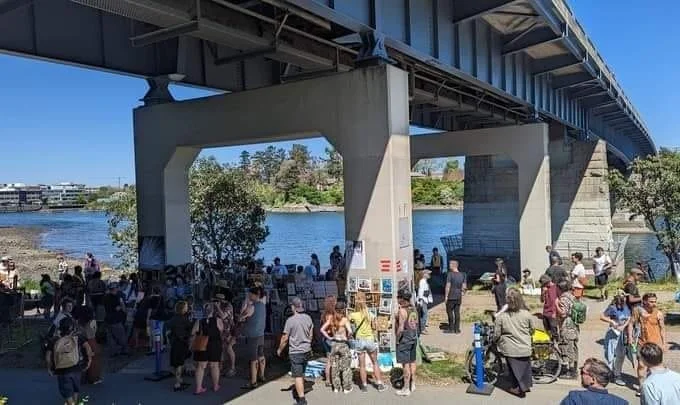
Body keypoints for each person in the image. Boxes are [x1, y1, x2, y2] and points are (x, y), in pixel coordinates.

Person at [493, 288, 535, 398]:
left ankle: (518, 388)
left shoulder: (502, 317)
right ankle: (525, 385)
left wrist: (495, 340)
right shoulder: (527, 314)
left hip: (510, 349)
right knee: (525, 368)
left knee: (513, 369)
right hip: (525, 347)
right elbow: (532, 330)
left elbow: (496, 334)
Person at [45, 317, 94, 405]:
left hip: (62, 371)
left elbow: (48, 356)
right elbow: (88, 349)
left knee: (67, 394)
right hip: (76, 368)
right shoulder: (78, 338)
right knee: (75, 390)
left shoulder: (54, 340)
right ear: (73, 327)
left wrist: (49, 368)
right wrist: (89, 362)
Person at [277, 297, 314, 405]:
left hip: (296, 351)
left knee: (297, 376)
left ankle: (301, 399)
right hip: (306, 350)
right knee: (302, 372)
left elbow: (284, 338)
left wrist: (279, 349)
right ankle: (300, 389)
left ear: (293, 307)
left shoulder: (290, 321)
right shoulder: (308, 318)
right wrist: (308, 344)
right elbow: (311, 334)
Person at [348, 292, 388, 392]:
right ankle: (379, 384)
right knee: (375, 362)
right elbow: (375, 325)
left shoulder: (352, 315)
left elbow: (349, 326)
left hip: (359, 340)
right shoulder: (369, 313)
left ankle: (364, 385)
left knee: (362, 365)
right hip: (370, 339)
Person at [559, 358, 628, 405]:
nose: (581, 375)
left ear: (593, 379)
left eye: (582, 372)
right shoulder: (621, 403)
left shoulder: (574, 398)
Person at [635, 293, 667, 395]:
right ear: (644, 301)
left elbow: (662, 329)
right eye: (651, 301)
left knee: (654, 366)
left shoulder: (659, 314)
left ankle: (653, 386)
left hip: (655, 344)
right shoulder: (639, 311)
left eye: (655, 301)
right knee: (641, 365)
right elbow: (632, 323)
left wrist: (664, 343)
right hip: (642, 342)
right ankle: (641, 388)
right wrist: (630, 338)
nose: (654, 304)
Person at [192, 302, 224, 395]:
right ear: (213, 311)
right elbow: (222, 330)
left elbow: (193, 332)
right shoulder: (218, 320)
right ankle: (215, 385)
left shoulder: (199, 321)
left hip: (202, 345)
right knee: (214, 366)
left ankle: (198, 388)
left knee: (200, 366)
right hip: (215, 344)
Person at [320, 300, 352, 393]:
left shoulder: (331, 319)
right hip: (343, 344)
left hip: (334, 344)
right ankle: (346, 387)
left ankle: (336, 387)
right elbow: (350, 332)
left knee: (334, 366)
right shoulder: (344, 320)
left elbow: (322, 329)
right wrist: (348, 336)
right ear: (343, 309)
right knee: (345, 367)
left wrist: (329, 337)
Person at [600, 295, 631, 385]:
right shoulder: (612, 308)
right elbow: (602, 316)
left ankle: (617, 374)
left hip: (622, 334)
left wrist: (624, 326)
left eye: (622, 304)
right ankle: (610, 374)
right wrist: (611, 321)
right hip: (613, 333)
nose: (620, 306)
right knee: (610, 354)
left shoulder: (625, 307)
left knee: (621, 355)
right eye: (619, 304)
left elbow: (629, 318)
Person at [240, 286, 267, 389]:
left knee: (253, 358)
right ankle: (262, 375)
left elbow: (241, 317)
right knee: (261, 355)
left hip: (252, 335)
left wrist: (245, 303)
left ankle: (253, 381)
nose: (249, 295)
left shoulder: (252, 306)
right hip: (261, 333)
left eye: (250, 294)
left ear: (255, 295)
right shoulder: (263, 305)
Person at [395, 290, 419, 396]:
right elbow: (416, 323)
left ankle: (406, 388)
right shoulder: (413, 308)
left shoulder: (402, 311)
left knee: (405, 365)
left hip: (404, 340)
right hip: (413, 338)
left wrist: (397, 338)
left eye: (398, 297)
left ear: (401, 298)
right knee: (412, 361)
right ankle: (413, 384)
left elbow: (400, 328)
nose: (397, 299)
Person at [167, 300, 192, 391]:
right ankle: (177, 382)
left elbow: (168, 327)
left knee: (176, 363)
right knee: (179, 363)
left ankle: (179, 380)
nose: (187, 308)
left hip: (175, 343)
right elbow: (190, 328)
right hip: (182, 343)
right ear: (182, 308)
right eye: (186, 306)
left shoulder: (174, 318)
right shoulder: (184, 319)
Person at [556, 279, 579, 379]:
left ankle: (570, 372)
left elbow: (563, 313)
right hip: (574, 325)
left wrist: (556, 304)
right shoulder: (572, 296)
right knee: (573, 347)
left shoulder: (563, 299)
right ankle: (574, 369)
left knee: (567, 346)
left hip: (567, 325)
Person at [74, 306, 102, 385]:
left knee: (84, 360)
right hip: (92, 341)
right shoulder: (92, 321)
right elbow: (93, 332)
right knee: (94, 360)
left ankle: (84, 378)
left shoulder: (80, 323)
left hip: (84, 341)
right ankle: (93, 377)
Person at [103, 282, 129, 356]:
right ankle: (125, 350)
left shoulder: (105, 297)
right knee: (121, 335)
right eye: (116, 288)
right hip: (116, 319)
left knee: (110, 337)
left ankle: (113, 351)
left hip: (108, 318)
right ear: (115, 289)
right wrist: (122, 305)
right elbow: (119, 308)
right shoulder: (116, 297)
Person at [215, 292, 236, 377]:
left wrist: (217, 307)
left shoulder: (229, 306)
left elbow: (223, 316)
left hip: (229, 330)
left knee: (229, 348)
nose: (219, 301)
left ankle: (233, 368)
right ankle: (221, 366)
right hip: (220, 330)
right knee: (221, 348)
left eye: (220, 299)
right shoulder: (217, 305)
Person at [444, 259, 467, 334]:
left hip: (451, 296)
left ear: (454, 265)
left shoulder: (450, 274)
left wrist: (446, 296)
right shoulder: (462, 274)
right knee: (457, 312)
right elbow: (464, 286)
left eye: (450, 264)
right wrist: (463, 292)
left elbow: (448, 286)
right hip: (458, 296)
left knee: (449, 312)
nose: (449, 265)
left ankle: (451, 328)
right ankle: (457, 329)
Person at [320, 295, 338, 388]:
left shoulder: (323, 313)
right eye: (335, 301)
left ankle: (327, 380)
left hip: (325, 339)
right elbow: (331, 327)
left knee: (329, 360)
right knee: (333, 360)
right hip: (331, 338)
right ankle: (333, 379)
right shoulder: (332, 314)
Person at [147, 286, 168, 354]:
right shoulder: (162, 298)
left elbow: (150, 309)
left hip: (153, 317)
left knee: (153, 333)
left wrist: (148, 318)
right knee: (160, 332)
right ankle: (161, 347)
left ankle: (154, 348)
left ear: (153, 291)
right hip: (161, 317)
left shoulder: (151, 298)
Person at [539, 274, 559, 339]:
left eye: (544, 284)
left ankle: (556, 344)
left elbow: (555, 301)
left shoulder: (556, 288)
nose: (544, 286)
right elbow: (542, 301)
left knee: (554, 330)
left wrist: (554, 312)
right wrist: (543, 293)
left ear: (548, 282)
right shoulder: (543, 288)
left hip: (552, 313)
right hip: (545, 312)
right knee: (547, 331)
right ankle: (550, 345)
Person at [416, 269, 433, 334]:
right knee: (424, 314)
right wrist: (421, 300)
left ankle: (422, 327)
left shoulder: (425, 281)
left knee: (424, 314)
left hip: (425, 299)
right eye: (428, 274)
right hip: (423, 299)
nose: (429, 275)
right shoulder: (422, 281)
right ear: (424, 275)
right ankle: (422, 328)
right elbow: (421, 291)